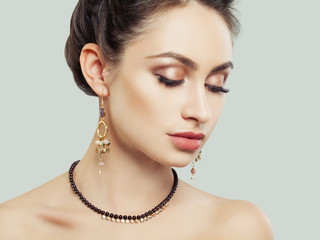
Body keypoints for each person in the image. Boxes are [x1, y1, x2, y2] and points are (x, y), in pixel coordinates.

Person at [0, 0, 273, 239]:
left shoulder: (237, 229)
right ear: (98, 70)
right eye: (170, 78)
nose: (202, 112)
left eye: (216, 85)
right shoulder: (12, 228)